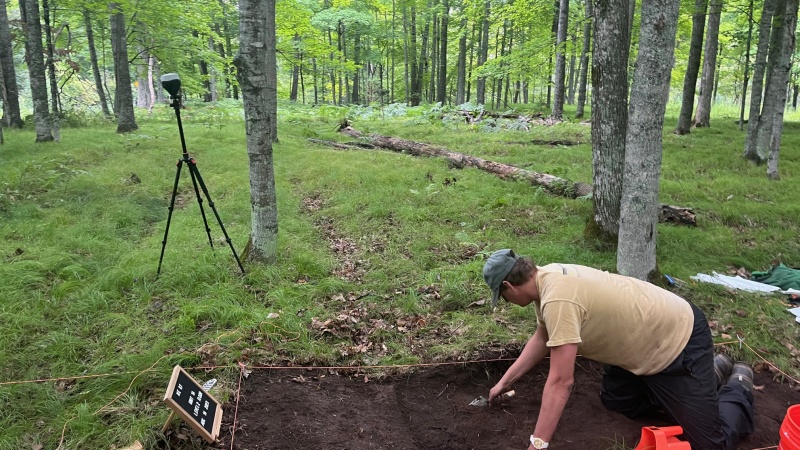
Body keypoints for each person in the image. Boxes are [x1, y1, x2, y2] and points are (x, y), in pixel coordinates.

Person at [482, 249, 754, 450]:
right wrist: (505, 381)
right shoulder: (547, 277)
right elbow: (542, 338)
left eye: (502, 297)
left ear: (508, 286)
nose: (506, 302)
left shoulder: (558, 298)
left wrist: (538, 444)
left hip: (677, 342)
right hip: (640, 345)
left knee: (711, 445)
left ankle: (738, 384)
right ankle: (709, 376)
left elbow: (561, 382)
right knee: (617, 401)